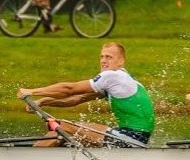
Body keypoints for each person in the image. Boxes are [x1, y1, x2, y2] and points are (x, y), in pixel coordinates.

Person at [17, 42, 154, 148]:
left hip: (131, 139)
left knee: (62, 126)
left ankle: (32, 158)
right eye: (101, 56)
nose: (103, 60)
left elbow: (70, 89)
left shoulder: (113, 76)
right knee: (59, 131)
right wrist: (44, 101)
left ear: (121, 61)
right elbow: (78, 99)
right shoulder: (120, 80)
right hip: (131, 137)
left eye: (109, 57)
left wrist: (32, 92)